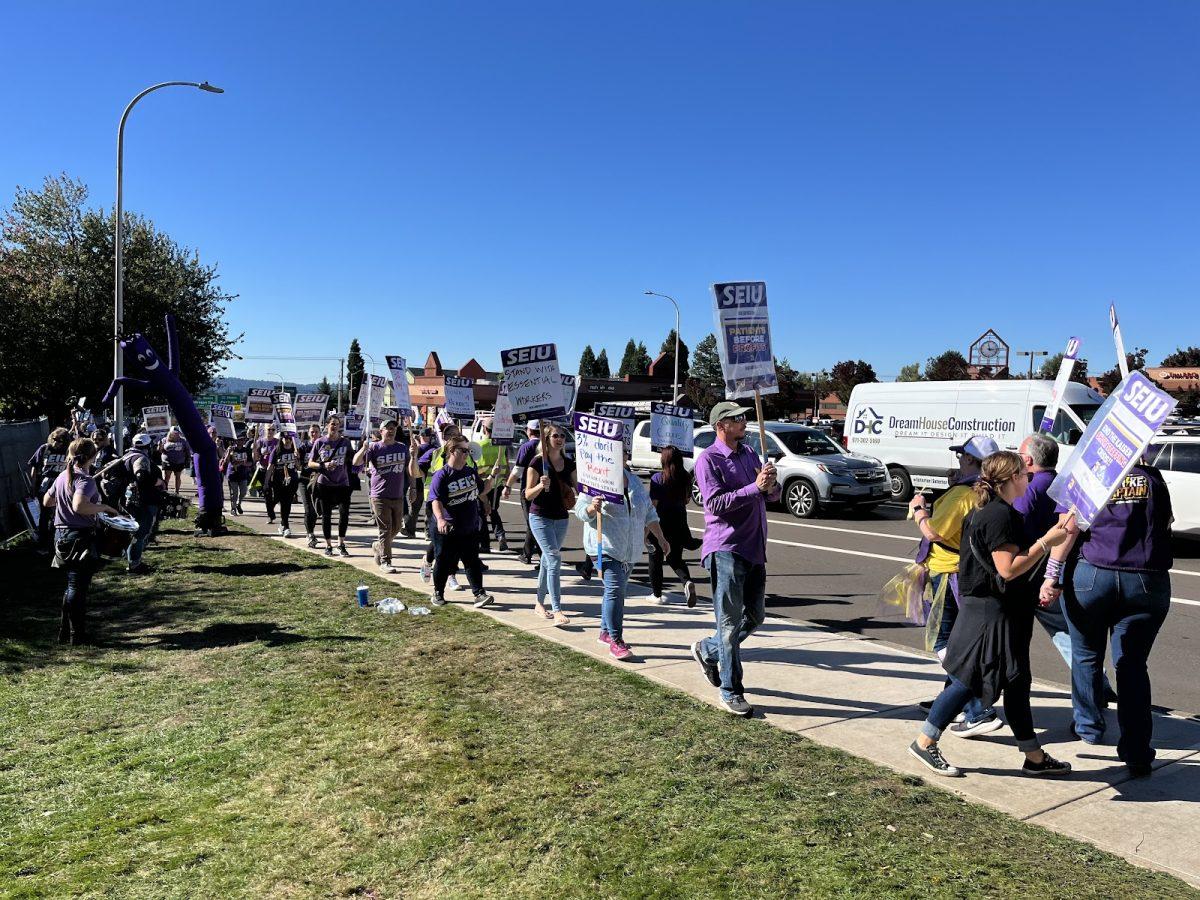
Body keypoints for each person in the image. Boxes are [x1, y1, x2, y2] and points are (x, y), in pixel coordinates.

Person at [908, 451, 1074, 778]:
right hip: (990, 613)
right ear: (1012, 478)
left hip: (998, 611)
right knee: (968, 679)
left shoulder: (993, 511)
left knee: (1015, 682)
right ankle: (924, 741)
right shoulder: (999, 516)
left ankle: (1034, 757)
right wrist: (1046, 541)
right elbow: (1007, 569)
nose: (1028, 477)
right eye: (1023, 473)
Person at [1048, 459, 1174, 777]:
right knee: (1132, 666)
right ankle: (1137, 751)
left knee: (1086, 654)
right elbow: (1167, 522)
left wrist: (1052, 574)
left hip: (1093, 575)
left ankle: (1089, 727)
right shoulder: (1154, 478)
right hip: (1146, 579)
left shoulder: (1092, 473)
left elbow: (1069, 527)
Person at [689, 402, 779, 717]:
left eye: (744, 417)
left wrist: (770, 484)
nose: (744, 422)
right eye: (737, 419)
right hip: (725, 548)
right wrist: (754, 488)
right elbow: (714, 504)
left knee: (755, 616)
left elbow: (770, 495)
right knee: (728, 624)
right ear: (721, 425)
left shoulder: (750, 454)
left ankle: (708, 649)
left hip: (754, 546)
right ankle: (731, 690)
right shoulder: (708, 460)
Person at [908, 435, 1001, 736]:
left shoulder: (963, 495)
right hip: (968, 572)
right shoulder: (986, 490)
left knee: (942, 639)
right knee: (960, 639)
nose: (958, 460)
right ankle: (949, 701)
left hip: (948, 573)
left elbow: (934, 532)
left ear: (972, 461)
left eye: (962, 456)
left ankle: (976, 706)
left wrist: (919, 510)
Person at [1013, 432, 1115, 702]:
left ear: (1028, 460)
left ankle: (976, 702)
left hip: (1032, 572)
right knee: (1067, 635)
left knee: (1012, 640)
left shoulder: (1029, 487)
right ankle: (1097, 684)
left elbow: (1016, 523)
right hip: (1058, 571)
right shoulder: (1063, 484)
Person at [575, 462, 669, 660]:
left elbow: (649, 513)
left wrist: (660, 537)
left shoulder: (634, 481)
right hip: (604, 547)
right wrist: (592, 508)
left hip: (629, 551)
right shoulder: (596, 479)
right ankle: (616, 641)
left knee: (615, 592)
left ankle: (605, 632)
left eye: (623, 450)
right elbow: (580, 510)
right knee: (615, 590)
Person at [43, 438, 121, 645]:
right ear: (93, 457)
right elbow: (80, 507)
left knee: (71, 585)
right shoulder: (84, 480)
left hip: (61, 534)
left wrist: (64, 500)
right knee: (77, 586)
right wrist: (103, 508)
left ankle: (65, 632)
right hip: (79, 536)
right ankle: (77, 635)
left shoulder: (62, 476)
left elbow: (47, 501)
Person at [428, 434, 496, 609]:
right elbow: (435, 500)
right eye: (463, 450)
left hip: (469, 527)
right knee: (443, 561)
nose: (467, 453)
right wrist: (441, 519)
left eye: (468, 450)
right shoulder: (442, 475)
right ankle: (438, 593)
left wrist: (492, 478)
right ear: (452, 451)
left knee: (472, 560)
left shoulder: (470, 472)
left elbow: (482, 491)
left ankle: (479, 594)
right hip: (448, 528)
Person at [524, 423, 577, 626]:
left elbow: (578, 486)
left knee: (547, 560)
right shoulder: (537, 463)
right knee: (554, 558)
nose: (560, 439)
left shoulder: (569, 463)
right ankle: (557, 610)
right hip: (540, 517)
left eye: (562, 436)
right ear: (546, 439)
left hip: (561, 518)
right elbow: (527, 494)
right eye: (556, 436)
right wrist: (540, 485)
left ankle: (539, 602)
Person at [354, 418, 421, 574]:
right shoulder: (374, 448)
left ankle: (379, 546)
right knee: (385, 528)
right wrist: (363, 449)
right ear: (381, 431)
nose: (391, 431)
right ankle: (386, 561)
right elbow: (356, 462)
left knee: (397, 527)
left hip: (398, 495)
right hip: (379, 495)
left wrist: (413, 486)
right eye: (388, 428)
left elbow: (410, 471)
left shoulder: (402, 448)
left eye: (393, 429)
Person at [647, 446, 702, 606]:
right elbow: (686, 500)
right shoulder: (685, 477)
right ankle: (687, 582)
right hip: (679, 522)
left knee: (655, 558)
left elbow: (653, 504)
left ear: (664, 459)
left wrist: (646, 526)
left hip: (659, 522)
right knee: (676, 558)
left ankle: (657, 595)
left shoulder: (658, 478)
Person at [418, 422, 463, 590]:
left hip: (457, 503)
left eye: (457, 436)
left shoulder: (465, 454)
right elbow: (417, 472)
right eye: (451, 436)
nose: (455, 439)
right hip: (435, 502)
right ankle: (429, 560)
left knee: (456, 539)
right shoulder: (434, 454)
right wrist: (413, 457)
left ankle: (451, 574)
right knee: (440, 539)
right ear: (444, 439)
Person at [308, 416, 353, 557]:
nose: (335, 426)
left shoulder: (345, 442)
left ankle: (341, 544)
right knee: (326, 515)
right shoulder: (320, 442)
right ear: (327, 425)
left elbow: (353, 459)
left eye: (337, 424)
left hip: (342, 483)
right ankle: (328, 546)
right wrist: (323, 465)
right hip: (324, 484)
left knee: (344, 514)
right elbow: (310, 463)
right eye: (332, 424)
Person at [122, 433, 165, 575]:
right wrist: (158, 482)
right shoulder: (140, 458)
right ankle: (134, 564)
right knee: (140, 532)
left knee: (138, 531)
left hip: (134, 500)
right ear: (148, 446)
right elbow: (141, 476)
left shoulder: (127, 455)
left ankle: (134, 561)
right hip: (142, 501)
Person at [504, 420, 543, 566]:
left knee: (533, 523)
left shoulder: (526, 447)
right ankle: (527, 554)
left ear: (528, 431)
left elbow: (518, 470)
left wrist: (508, 485)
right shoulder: (546, 446)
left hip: (529, 489)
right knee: (536, 522)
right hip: (544, 490)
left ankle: (541, 556)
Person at [29, 427, 71, 554]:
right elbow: (35, 468)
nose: (56, 442)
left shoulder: (69, 450)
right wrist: (33, 485)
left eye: (60, 440)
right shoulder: (44, 448)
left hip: (62, 484)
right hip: (46, 485)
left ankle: (59, 543)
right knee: (45, 515)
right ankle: (44, 543)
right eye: (55, 439)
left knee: (61, 514)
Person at [475, 419, 510, 553]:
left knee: (481, 513)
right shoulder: (502, 446)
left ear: (485, 429)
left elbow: (474, 468)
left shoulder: (478, 445)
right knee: (494, 511)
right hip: (497, 484)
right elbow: (507, 466)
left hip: (483, 484)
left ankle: (484, 544)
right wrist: (507, 484)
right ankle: (501, 536)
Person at [266, 431, 302, 537]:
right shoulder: (276, 451)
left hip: (292, 482)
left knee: (286, 503)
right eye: (285, 438)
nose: (287, 441)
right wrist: (266, 483)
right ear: (281, 439)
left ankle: (285, 526)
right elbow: (270, 467)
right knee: (277, 499)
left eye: (289, 439)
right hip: (278, 481)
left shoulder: (295, 451)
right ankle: (281, 521)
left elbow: (299, 468)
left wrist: (296, 459)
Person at [403, 426, 437, 538]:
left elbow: (410, 466)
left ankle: (410, 530)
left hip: (416, 481)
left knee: (415, 508)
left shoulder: (417, 449)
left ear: (421, 436)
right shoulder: (435, 449)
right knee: (429, 509)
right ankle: (428, 532)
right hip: (430, 482)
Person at [296, 423, 321, 547]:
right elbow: (298, 465)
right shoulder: (303, 446)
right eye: (312, 432)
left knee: (315, 509)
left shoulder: (323, 446)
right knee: (308, 508)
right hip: (304, 480)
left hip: (317, 481)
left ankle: (311, 531)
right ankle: (310, 534)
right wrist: (296, 459)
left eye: (316, 431)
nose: (314, 434)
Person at [223, 434, 253, 516]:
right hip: (232, 474)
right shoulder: (232, 449)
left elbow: (250, 462)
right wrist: (228, 452)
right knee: (234, 493)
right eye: (239, 440)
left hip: (243, 474)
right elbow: (227, 461)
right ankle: (233, 508)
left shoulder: (246, 450)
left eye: (243, 440)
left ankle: (238, 504)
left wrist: (244, 464)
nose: (241, 441)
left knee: (243, 492)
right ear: (236, 440)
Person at [159, 426, 191, 494]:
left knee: (177, 476)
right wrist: (160, 446)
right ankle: (165, 490)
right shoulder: (164, 440)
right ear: (170, 433)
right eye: (174, 433)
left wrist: (188, 459)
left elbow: (187, 450)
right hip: (167, 461)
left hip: (179, 461)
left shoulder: (183, 440)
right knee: (167, 476)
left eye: (177, 433)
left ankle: (177, 492)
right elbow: (160, 451)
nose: (176, 434)